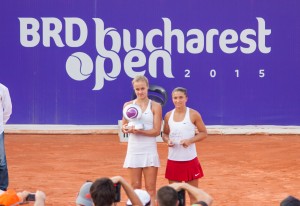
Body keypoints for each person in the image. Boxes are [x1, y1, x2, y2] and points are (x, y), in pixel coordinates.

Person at [162, 87, 207, 204]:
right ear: (172, 99)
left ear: (186, 98)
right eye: (175, 98)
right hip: (173, 160)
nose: (178, 100)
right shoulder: (168, 115)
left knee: (193, 195)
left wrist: (190, 140)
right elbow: (165, 134)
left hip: (190, 160)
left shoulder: (194, 114)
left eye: (181, 97)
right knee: (173, 197)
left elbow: (203, 133)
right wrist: (167, 141)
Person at [122, 75, 162, 204]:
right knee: (135, 188)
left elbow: (156, 131)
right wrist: (127, 129)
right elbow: (123, 127)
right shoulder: (128, 105)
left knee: (151, 189)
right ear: (134, 89)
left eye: (142, 89)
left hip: (149, 150)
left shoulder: (155, 106)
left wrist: (139, 131)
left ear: (147, 88)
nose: (140, 92)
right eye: (137, 89)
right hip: (134, 150)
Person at [0, 83, 12, 191]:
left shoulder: (3, 89)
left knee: (1, 161)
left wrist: (1, 123)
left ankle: (2, 189)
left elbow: (8, 109)